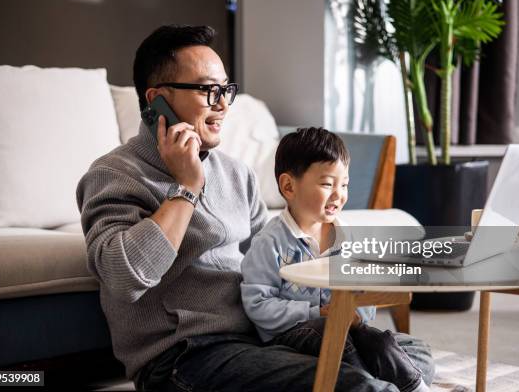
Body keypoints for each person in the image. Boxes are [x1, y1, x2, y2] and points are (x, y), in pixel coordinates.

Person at [76, 24, 435, 391]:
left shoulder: (236, 173)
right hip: (186, 355)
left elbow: (273, 267)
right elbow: (123, 278)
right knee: (355, 384)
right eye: (207, 90)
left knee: (407, 355)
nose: (222, 104)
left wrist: (331, 308)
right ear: (157, 101)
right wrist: (186, 188)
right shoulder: (114, 175)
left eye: (225, 90)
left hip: (263, 338)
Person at [241, 127, 431, 392]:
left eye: (344, 185)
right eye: (327, 184)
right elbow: (258, 304)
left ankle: (413, 387)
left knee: (387, 344)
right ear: (288, 186)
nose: (338, 195)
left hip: (346, 330)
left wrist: (355, 313)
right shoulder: (270, 242)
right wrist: (316, 312)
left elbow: (364, 295)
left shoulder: (350, 239)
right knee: (341, 340)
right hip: (291, 336)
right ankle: (377, 384)